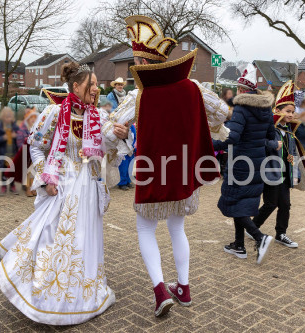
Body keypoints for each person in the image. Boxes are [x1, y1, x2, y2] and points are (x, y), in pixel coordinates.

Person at [105, 15, 230, 317]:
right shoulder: (194, 88)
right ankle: (183, 288)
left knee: (146, 229)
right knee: (177, 228)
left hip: (152, 173)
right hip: (184, 172)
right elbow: (223, 112)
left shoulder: (138, 95)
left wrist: (117, 133)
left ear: (142, 63)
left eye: (135, 62)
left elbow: (110, 130)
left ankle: (161, 289)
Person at [0, 62, 128, 325]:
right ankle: (47, 293)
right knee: (52, 238)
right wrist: (45, 178)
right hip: (62, 185)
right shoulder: (54, 113)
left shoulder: (99, 116)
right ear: (75, 86)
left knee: (84, 240)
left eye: (98, 85)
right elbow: (36, 148)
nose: (96, 89)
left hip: (88, 187)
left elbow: (110, 149)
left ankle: (81, 295)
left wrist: (121, 136)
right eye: (92, 85)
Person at [212, 63, 275, 264]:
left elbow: (233, 137)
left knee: (232, 202)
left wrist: (210, 142)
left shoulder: (241, 107)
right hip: (257, 163)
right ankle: (239, 245)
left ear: (240, 90)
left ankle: (260, 237)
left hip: (240, 163)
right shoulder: (266, 109)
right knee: (242, 204)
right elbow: (271, 137)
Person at [249, 80, 299, 248]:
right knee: (271, 203)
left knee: (285, 204)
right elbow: (257, 141)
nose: (291, 115)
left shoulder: (290, 130)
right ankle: (253, 227)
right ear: (277, 111)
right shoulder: (270, 128)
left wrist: (295, 167)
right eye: (287, 111)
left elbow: (292, 151)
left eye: (293, 111)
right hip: (270, 172)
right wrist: (271, 144)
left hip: (285, 174)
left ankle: (281, 233)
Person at [0, 107, 20, 196]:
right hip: (3, 152)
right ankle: (4, 186)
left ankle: (12, 185)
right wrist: (2, 138)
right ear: (3, 117)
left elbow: (21, 136)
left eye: (10, 117)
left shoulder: (15, 127)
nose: (8, 119)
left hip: (13, 152)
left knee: (12, 170)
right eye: (7, 117)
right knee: (4, 170)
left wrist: (16, 136)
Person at [16, 107, 39, 197]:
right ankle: (28, 188)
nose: (33, 120)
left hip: (34, 152)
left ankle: (33, 188)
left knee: (34, 171)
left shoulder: (37, 128)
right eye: (31, 118)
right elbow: (19, 141)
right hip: (26, 151)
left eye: (34, 118)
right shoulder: (22, 128)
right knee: (27, 172)